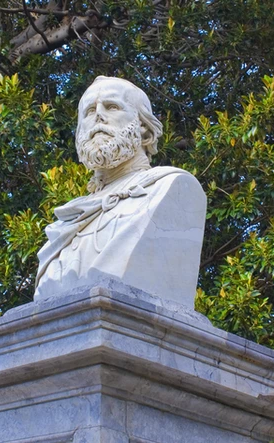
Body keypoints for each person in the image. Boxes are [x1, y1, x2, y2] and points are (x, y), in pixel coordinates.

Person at [34, 76, 206, 308]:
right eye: (89, 111)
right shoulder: (69, 217)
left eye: (112, 107)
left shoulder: (170, 188)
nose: (98, 116)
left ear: (144, 128)